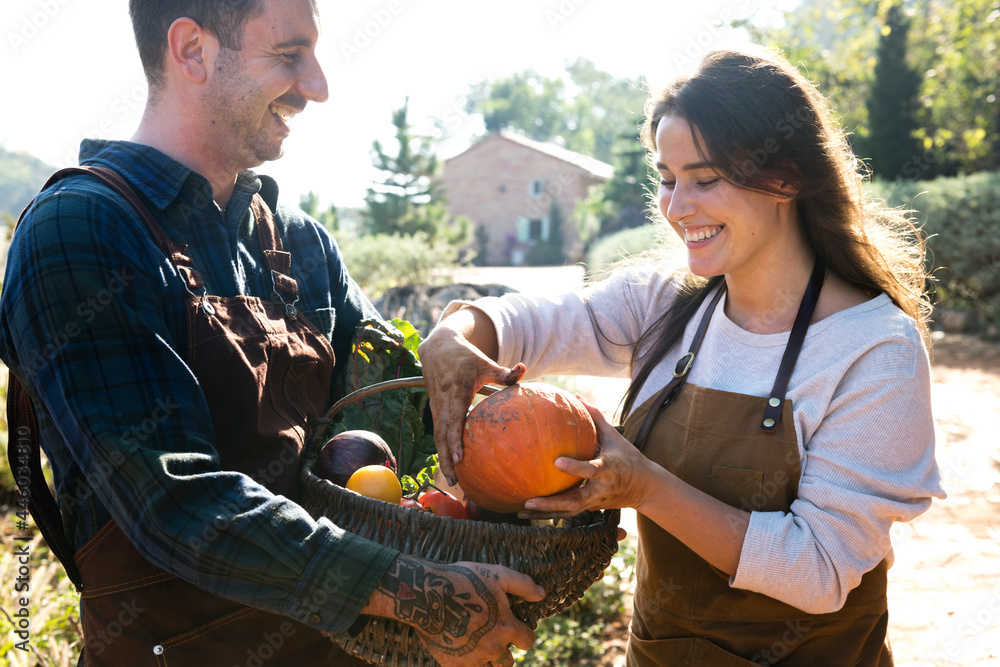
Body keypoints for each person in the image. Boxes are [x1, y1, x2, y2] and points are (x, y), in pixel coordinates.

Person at [0, 1, 542, 664]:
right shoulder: (81, 232)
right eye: (289, 55)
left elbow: (394, 427)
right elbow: (173, 501)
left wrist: (511, 446)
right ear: (192, 51)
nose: (318, 86)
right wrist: (414, 590)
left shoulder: (299, 241)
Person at [418, 45, 945, 666]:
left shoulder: (872, 348)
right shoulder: (666, 304)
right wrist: (462, 330)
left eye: (705, 179)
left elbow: (819, 569)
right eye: (667, 180)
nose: (676, 207)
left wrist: (646, 487)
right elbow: (539, 322)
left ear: (786, 178)